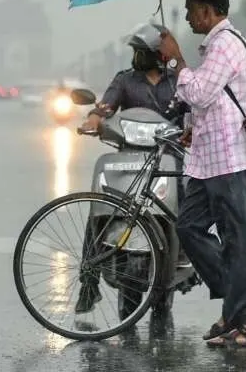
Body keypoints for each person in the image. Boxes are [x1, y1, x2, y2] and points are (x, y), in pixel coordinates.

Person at [159, 0, 246, 348]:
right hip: (208, 160)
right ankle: (236, 302)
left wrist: (175, 61)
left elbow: (200, 93)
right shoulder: (215, 47)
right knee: (188, 227)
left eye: (191, 9)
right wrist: (190, 127)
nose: (188, 15)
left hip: (229, 158)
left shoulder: (225, 44)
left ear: (208, 10)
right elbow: (211, 101)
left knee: (238, 241)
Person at [74, 21, 182, 314]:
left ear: (159, 54)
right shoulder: (125, 81)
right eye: (135, 52)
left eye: (142, 51)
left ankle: (185, 257)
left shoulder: (178, 82)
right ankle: (89, 281)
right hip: (129, 158)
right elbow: (105, 106)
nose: (137, 57)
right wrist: (95, 119)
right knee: (100, 211)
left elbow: (194, 111)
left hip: (169, 159)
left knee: (186, 209)